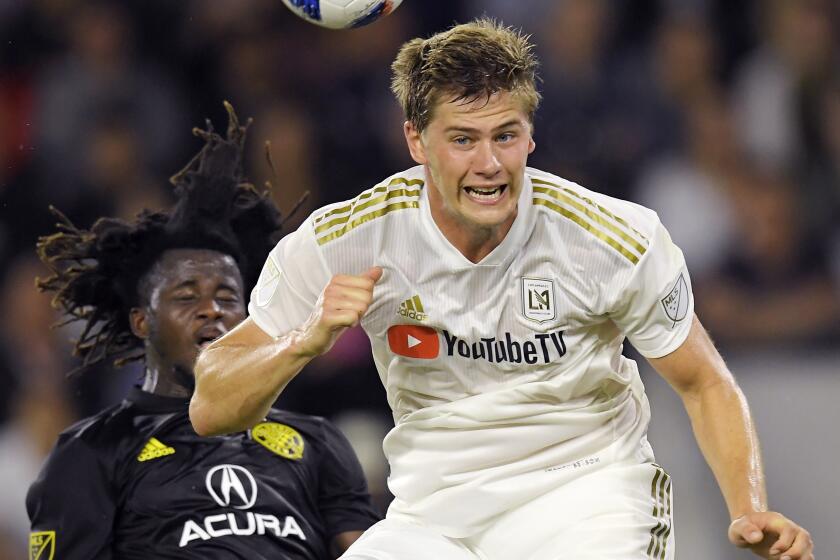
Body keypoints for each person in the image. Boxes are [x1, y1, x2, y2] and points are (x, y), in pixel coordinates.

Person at [190, 20, 814, 560]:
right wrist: (304, 342)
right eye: (463, 139)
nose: (489, 163)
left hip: (586, 495)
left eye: (505, 135)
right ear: (416, 142)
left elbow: (703, 381)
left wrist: (749, 507)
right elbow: (211, 407)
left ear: (530, 135)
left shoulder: (613, 239)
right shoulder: (348, 239)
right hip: (433, 514)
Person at [27, 104, 380, 559]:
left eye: (229, 297)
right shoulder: (93, 451)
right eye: (187, 296)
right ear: (141, 321)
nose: (212, 310)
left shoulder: (316, 442)